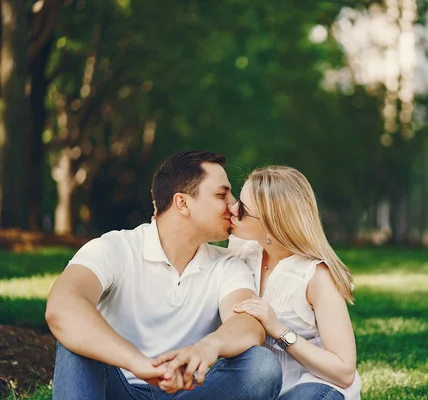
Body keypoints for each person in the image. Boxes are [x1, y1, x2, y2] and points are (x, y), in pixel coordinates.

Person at [45, 150, 282, 400]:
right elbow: (62, 307)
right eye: (222, 194)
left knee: (261, 365)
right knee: (76, 340)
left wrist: (205, 348)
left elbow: (249, 326)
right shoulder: (115, 248)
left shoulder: (228, 265)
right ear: (182, 203)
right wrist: (139, 364)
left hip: (187, 394)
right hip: (118, 388)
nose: (234, 205)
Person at [227, 166, 362, 400]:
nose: (232, 209)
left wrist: (277, 329)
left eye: (243, 210)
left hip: (317, 384)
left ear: (272, 224)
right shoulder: (243, 251)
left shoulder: (316, 276)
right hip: (262, 384)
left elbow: (344, 371)